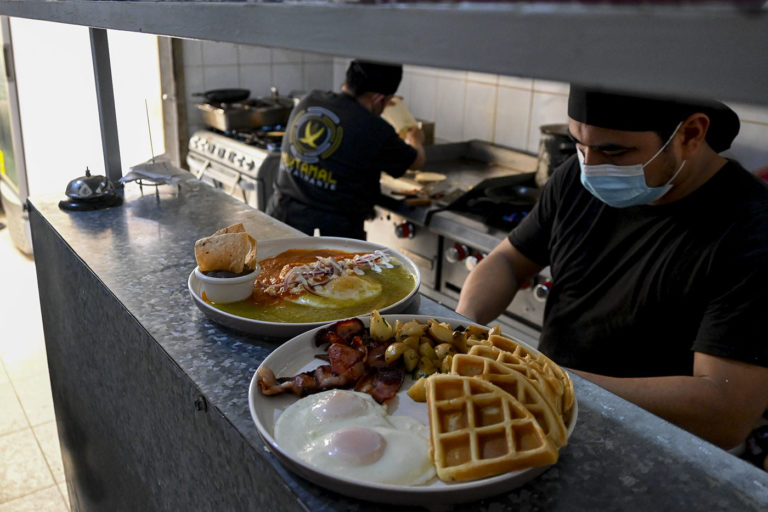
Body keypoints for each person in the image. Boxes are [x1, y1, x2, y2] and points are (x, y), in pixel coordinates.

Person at [456, 85, 768, 450]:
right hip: (552, 421)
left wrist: (549, 380)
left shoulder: (751, 230)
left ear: (690, 134)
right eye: (579, 144)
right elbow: (509, 261)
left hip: (657, 451)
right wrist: (463, 325)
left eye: (615, 151)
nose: (591, 166)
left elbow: (725, 412)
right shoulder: (575, 177)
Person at [266, 59, 426, 239]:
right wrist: (416, 139)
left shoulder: (310, 100)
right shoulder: (374, 128)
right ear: (378, 98)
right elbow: (416, 161)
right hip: (330, 236)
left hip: (280, 219)